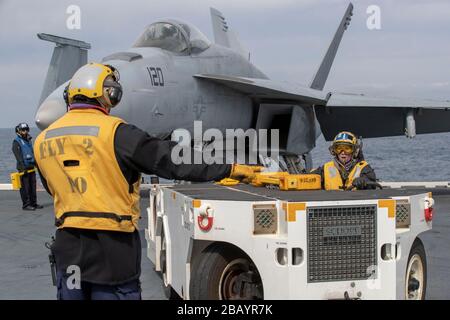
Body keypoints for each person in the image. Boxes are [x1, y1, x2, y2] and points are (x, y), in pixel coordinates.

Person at [33, 62, 257, 300]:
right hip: (112, 251)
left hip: (68, 251)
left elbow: (52, 188)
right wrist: (229, 169)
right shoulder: (117, 133)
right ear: (109, 94)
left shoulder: (42, 141)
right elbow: (174, 161)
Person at [311, 131, 377, 190]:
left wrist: (363, 181)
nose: (343, 152)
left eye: (347, 148)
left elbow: (371, 181)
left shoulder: (364, 168)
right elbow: (307, 179)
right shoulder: (325, 169)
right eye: (339, 148)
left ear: (355, 151)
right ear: (333, 151)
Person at [12, 123, 43, 210]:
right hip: (23, 168)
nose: (25, 131)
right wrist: (22, 167)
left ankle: (33, 203)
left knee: (33, 186)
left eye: (26, 129)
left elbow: (32, 153)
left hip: (31, 167)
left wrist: (36, 163)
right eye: (23, 130)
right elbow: (18, 155)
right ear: (19, 131)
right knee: (25, 187)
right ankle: (26, 205)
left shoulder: (28, 140)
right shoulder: (16, 141)